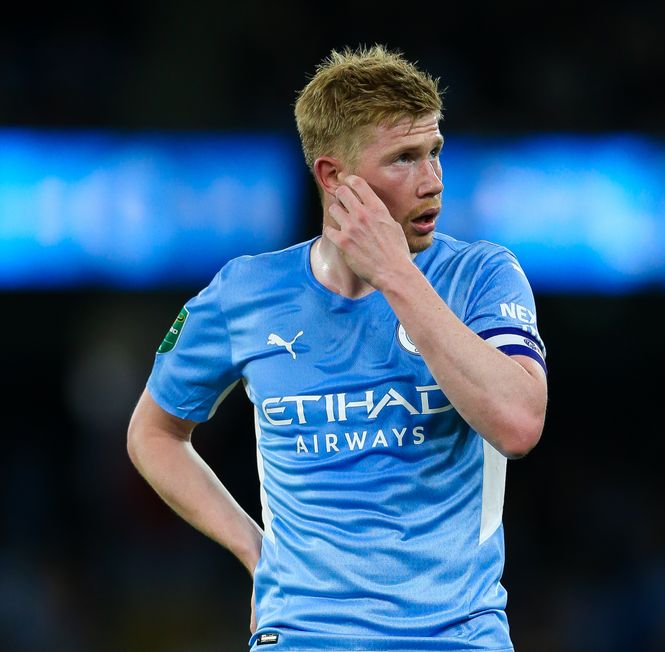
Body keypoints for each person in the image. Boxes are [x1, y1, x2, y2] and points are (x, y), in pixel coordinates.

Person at [127, 44, 548, 652]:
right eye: (404, 159)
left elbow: (518, 424)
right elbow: (153, 434)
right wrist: (255, 551)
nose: (433, 182)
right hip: (302, 636)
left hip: (456, 635)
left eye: (435, 152)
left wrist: (398, 277)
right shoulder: (245, 293)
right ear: (333, 176)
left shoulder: (483, 277)